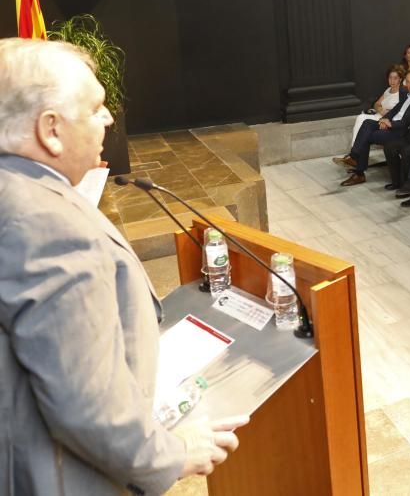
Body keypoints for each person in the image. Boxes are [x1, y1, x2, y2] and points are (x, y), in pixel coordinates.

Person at [0, 39, 247, 493]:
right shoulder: (47, 223)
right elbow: (88, 405)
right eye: (95, 108)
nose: (109, 117)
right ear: (50, 129)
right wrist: (172, 453)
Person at [337, 69, 410, 186]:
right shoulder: (405, 93)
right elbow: (396, 109)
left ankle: (358, 170)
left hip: (400, 131)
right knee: (367, 123)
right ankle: (355, 157)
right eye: (408, 81)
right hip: (391, 123)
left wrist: (391, 124)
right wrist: (386, 119)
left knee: (367, 136)